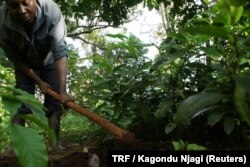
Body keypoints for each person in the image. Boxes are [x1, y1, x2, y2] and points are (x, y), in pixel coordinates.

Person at [0, 0, 72, 148]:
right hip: (24, 65)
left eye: (25, 3)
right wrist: (38, 81)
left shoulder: (51, 10)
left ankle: (54, 145)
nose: (21, 10)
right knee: (21, 100)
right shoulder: (1, 21)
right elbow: (16, 58)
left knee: (54, 102)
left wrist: (63, 91)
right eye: (14, 6)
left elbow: (59, 51)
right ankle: (16, 148)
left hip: (49, 60)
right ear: (7, 6)